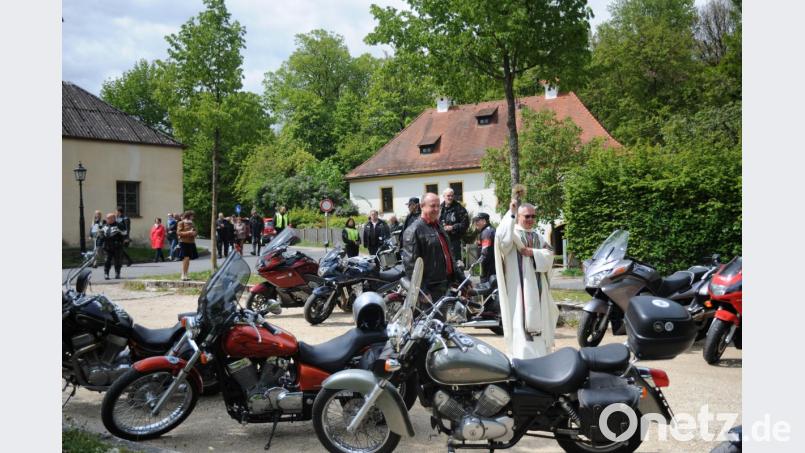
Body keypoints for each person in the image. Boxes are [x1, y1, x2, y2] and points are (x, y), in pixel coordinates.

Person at [494, 200, 558, 360]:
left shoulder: (538, 236)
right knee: (519, 320)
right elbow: (503, 242)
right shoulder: (512, 234)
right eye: (527, 216)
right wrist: (511, 212)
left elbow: (550, 254)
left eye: (533, 216)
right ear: (518, 217)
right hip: (518, 287)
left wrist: (533, 253)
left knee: (540, 319)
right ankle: (522, 356)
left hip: (538, 287)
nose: (530, 219)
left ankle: (541, 356)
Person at [401, 193, 459, 305]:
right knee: (430, 317)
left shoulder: (438, 227)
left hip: (445, 284)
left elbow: (449, 256)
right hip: (430, 290)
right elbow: (410, 266)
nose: (436, 209)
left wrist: (461, 277)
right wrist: (421, 291)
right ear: (422, 206)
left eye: (438, 206)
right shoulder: (414, 230)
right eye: (432, 206)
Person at [439, 188, 469, 264]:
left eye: (452, 196)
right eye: (448, 196)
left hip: (454, 241)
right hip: (441, 240)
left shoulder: (459, 208)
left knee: (455, 263)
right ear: (444, 196)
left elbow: (465, 224)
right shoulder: (439, 208)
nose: (450, 197)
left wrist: (452, 227)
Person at [100, 212, 126, 280]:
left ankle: (117, 273)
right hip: (107, 246)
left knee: (117, 261)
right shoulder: (104, 226)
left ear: (113, 218)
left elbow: (124, 234)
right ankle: (106, 274)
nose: (107, 219)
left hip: (117, 246)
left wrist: (121, 241)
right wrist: (101, 242)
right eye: (107, 218)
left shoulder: (120, 225)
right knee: (107, 260)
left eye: (109, 218)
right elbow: (101, 236)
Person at [472, 212, 496, 283]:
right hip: (490, 267)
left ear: (484, 221)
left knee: (486, 287)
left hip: (488, 269)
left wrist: (476, 265)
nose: (475, 223)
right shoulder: (488, 230)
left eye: (477, 220)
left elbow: (485, 253)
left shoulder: (486, 233)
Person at [177, 210, 199, 281]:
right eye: (192, 216)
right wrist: (188, 232)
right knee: (186, 258)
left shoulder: (192, 223)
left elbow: (196, 231)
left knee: (188, 259)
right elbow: (179, 233)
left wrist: (195, 233)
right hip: (184, 242)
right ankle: (183, 274)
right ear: (188, 216)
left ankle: (186, 274)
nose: (193, 217)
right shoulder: (181, 223)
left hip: (191, 242)